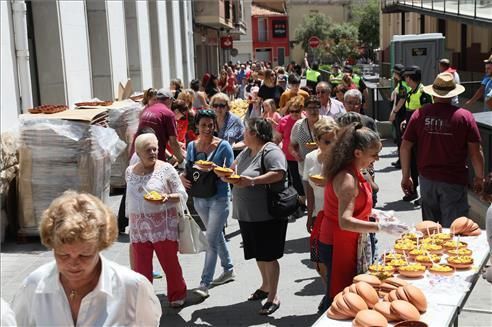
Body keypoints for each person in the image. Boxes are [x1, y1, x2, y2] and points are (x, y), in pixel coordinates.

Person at [11, 191, 162, 325]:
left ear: (101, 246)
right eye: (63, 255)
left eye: (84, 255)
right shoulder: (33, 286)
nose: (73, 263)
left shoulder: (133, 288)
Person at [318, 123, 409, 311]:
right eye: (374, 154)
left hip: (348, 239)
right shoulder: (347, 179)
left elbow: (357, 205)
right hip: (338, 242)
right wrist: (380, 228)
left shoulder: (355, 171)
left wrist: (377, 214)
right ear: (358, 153)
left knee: (349, 294)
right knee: (341, 297)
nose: (377, 158)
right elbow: (345, 221)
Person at [401, 72, 484, 227]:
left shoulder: (419, 114)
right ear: (452, 94)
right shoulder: (464, 117)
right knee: (455, 230)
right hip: (454, 181)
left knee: (429, 230)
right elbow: (475, 152)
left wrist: (406, 176)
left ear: (434, 93)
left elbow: (405, 146)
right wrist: (479, 177)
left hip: (427, 180)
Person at [228, 118, 288, 315]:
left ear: (254, 133)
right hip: (247, 214)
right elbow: (233, 169)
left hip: (267, 214)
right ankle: (265, 286)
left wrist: (252, 181)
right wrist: (225, 174)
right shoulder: (247, 150)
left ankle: (274, 296)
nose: (243, 134)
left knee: (269, 255)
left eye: (246, 131)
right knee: (258, 253)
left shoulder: (270, 151)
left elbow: (279, 173)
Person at [125, 133, 188, 307]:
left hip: (163, 226)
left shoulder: (166, 169)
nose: (153, 152)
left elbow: (182, 194)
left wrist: (167, 197)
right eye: (148, 150)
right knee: (141, 268)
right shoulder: (130, 171)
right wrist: (129, 223)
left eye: (155, 149)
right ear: (138, 152)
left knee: (170, 264)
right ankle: (145, 299)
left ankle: (177, 294)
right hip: (139, 229)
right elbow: (129, 199)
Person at [179, 109, 235, 299]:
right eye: (203, 125)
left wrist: (216, 169)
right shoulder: (192, 146)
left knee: (210, 239)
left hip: (219, 197)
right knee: (215, 234)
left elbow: (231, 172)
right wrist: (181, 177)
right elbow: (187, 168)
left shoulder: (224, 146)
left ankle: (205, 283)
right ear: (197, 126)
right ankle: (228, 269)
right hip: (199, 197)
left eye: (211, 125)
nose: (207, 129)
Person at [302, 117, 339, 311]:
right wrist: (310, 213)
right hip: (319, 213)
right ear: (317, 141)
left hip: (337, 215)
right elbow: (308, 185)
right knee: (318, 261)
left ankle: (333, 296)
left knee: (333, 258)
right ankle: (330, 290)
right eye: (326, 141)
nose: (331, 145)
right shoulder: (310, 158)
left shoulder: (341, 159)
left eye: (334, 140)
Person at [400, 66, 433, 202]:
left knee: (422, 164)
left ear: (411, 77)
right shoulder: (410, 91)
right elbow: (411, 112)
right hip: (411, 132)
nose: (405, 79)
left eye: (406, 77)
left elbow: (426, 114)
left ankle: (425, 194)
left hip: (420, 135)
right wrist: (405, 121)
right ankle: (413, 191)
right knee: (412, 164)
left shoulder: (423, 92)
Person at [290, 96, 323, 215]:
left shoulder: (327, 123)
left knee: (324, 199)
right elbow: (292, 145)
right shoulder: (298, 125)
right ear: (305, 109)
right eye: (310, 108)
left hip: (324, 167)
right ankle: (314, 223)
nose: (313, 111)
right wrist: (295, 154)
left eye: (316, 107)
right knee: (311, 200)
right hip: (305, 168)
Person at [137, 88, 184, 164]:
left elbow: (156, 140)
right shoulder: (168, 114)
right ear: (169, 99)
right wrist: (182, 161)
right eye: (172, 101)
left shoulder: (147, 110)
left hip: (139, 156)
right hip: (153, 160)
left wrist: (170, 157)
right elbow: (173, 143)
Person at [275, 96, 306, 210]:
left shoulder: (305, 120)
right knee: (294, 181)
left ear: (302, 109)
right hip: (288, 156)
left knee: (304, 180)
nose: (293, 114)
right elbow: (278, 138)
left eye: (296, 111)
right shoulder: (284, 121)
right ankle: (299, 203)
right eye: (291, 111)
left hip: (304, 156)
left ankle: (303, 200)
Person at [389, 64, 410, 169]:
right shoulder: (402, 83)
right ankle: (401, 159)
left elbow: (401, 99)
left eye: (394, 72)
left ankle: (402, 161)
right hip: (401, 113)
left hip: (401, 114)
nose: (392, 74)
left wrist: (394, 112)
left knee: (400, 138)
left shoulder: (402, 84)